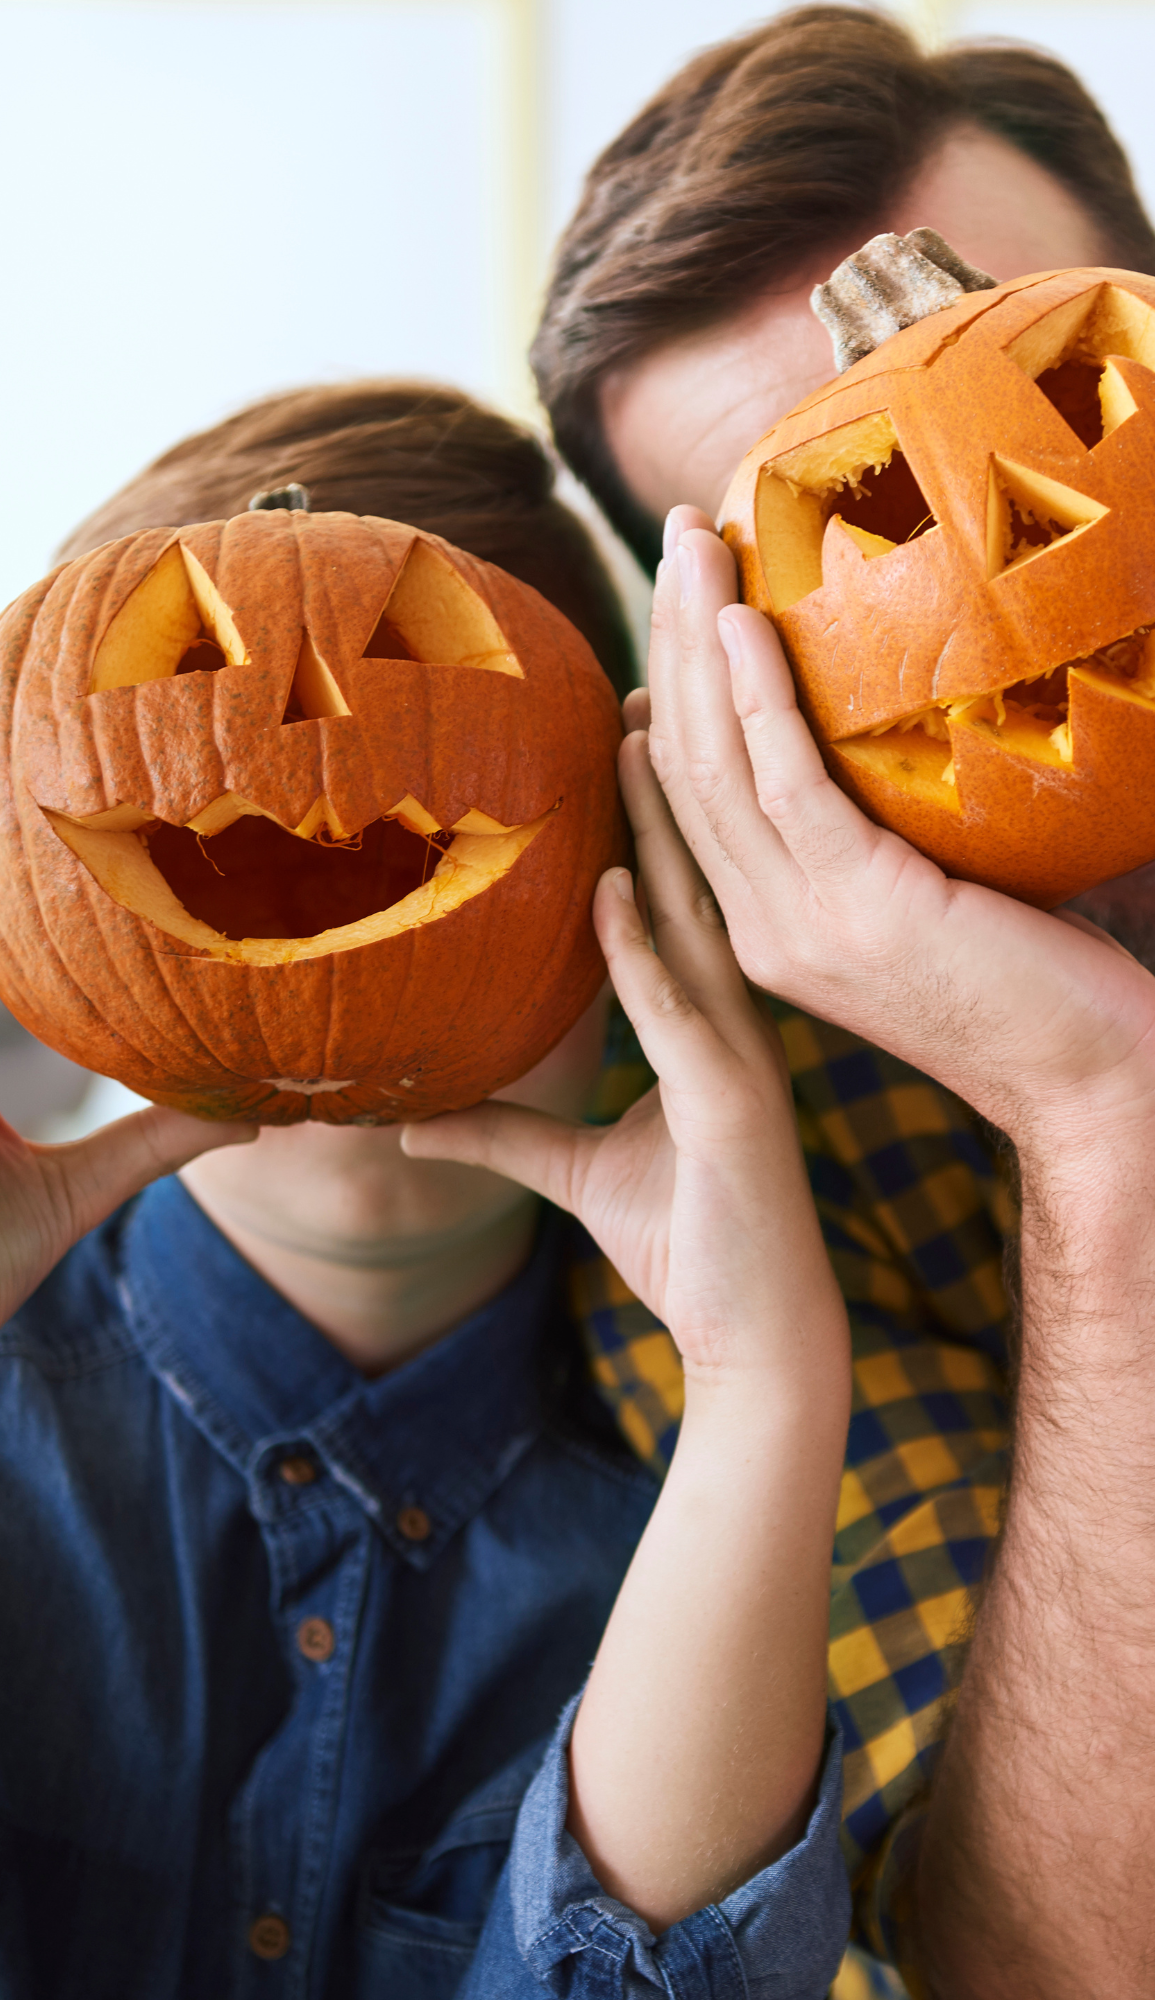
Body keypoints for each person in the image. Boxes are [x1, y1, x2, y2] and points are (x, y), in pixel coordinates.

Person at [531, 6, 1155, 1994]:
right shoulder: (743, 1197)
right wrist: (1095, 1123)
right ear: (727, 706)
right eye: (860, 517)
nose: (1043, 581)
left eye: (1064, 382)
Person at [0, 381, 856, 1997]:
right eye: (238, 855)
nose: (348, 996)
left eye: (446, 873)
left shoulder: (738, 1501)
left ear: (651, 881)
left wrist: (762, 1391)